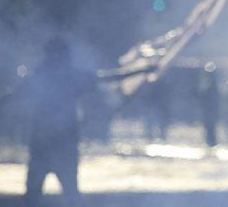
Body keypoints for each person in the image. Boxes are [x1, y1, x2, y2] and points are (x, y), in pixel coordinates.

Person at [24, 37, 154, 206]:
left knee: (35, 193)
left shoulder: (39, 75)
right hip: (63, 141)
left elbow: (12, 96)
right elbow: (108, 77)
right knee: (69, 190)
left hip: (44, 141)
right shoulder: (70, 76)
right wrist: (141, 71)